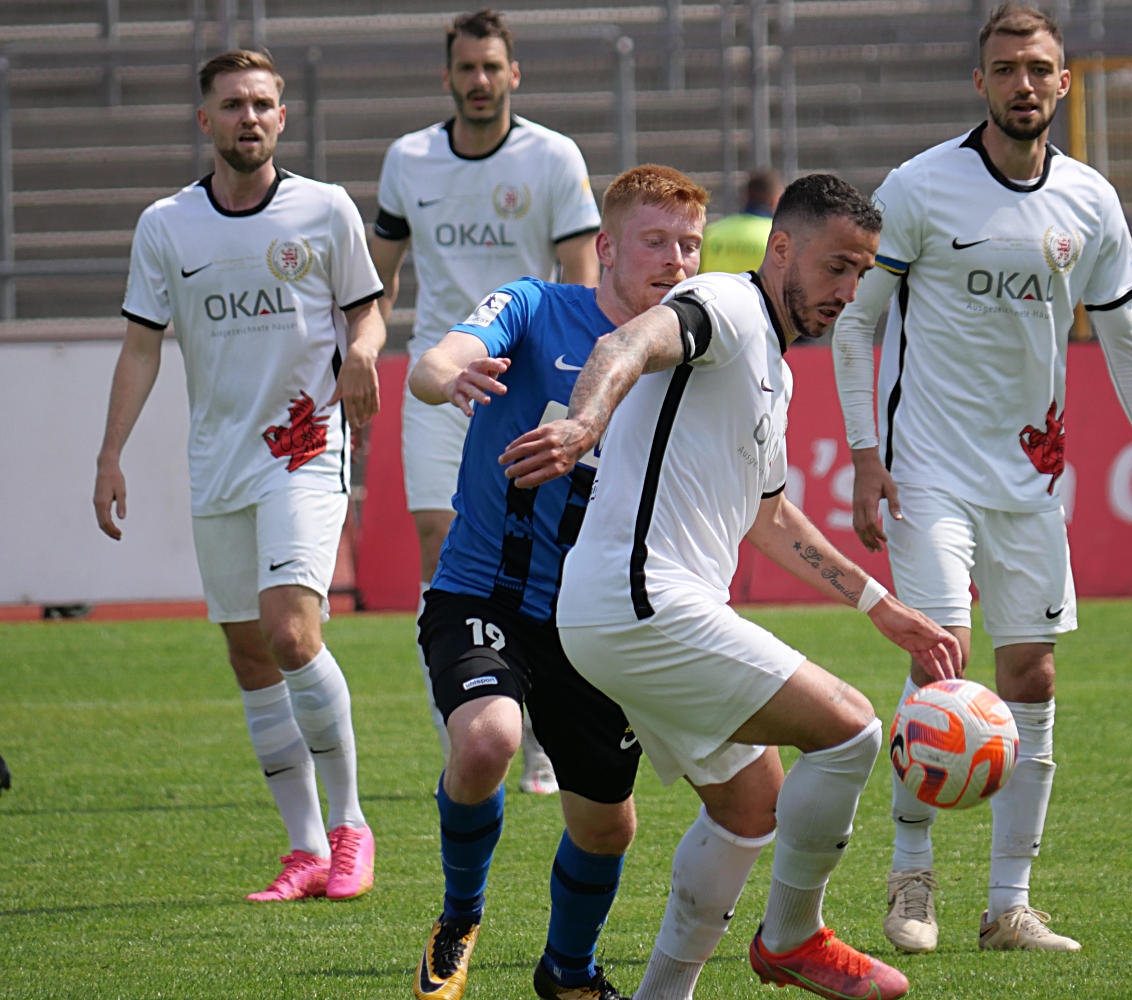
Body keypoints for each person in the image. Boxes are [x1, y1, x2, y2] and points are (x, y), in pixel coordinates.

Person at [502, 173, 964, 1000]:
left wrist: (882, 608)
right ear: (781, 248)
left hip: (626, 613)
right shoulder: (725, 302)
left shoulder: (775, 372)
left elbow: (770, 515)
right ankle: (793, 938)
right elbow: (624, 347)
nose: (849, 292)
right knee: (853, 731)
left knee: (752, 805)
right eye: (835, 268)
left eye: (862, 274)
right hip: (642, 602)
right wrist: (583, 424)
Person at [830, 3, 1132, 956]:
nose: (1023, 85)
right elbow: (855, 325)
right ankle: (910, 878)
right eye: (1005, 69)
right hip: (927, 470)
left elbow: (1126, 343)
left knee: (1032, 675)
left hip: (1033, 478)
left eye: (1039, 69)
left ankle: (1010, 906)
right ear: (981, 83)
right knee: (941, 661)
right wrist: (866, 457)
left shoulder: (1090, 201)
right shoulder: (920, 187)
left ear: (1064, 82)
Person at [405, 165, 709, 1000]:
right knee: (486, 740)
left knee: (607, 826)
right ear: (605, 247)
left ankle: (567, 970)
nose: (676, 260)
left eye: (690, 243)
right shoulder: (536, 308)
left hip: (598, 620)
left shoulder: (696, 344)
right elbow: (435, 363)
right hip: (484, 596)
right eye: (655, 241)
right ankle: (460, 917)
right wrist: (452, 376)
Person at [92, 49, 385, 902]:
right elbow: (143, 346)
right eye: (232, 105)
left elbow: (366, 309)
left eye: (263, 103)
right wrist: (110, 453)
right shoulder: (166, 225)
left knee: (292, 633)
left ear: (282, 119)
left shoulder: (325, 209)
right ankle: (302, 851)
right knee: (251, 655)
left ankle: (350, 825)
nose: (249, 117)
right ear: (205, 122)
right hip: (217, 458)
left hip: (302, 444)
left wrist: (364, 353)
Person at [370, 8, 602, 792]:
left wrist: (581, 390)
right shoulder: (408, 159)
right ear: (448, 76)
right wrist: (365, 348)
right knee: (445, 553)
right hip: (444, 382)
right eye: (465, 68)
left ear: (513, 74)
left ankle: (538, 727)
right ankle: (469, 715)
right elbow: (384, 278)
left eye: (490, 67)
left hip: (531, 389)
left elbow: (582, 277)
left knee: (544, 557)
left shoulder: (551, 157)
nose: (478, 81)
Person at [698, 166, 782, 275]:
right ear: (775, 198)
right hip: (755, 292)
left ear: (745, 196)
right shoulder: (778, 236)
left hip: (712, 291)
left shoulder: (711, 231)